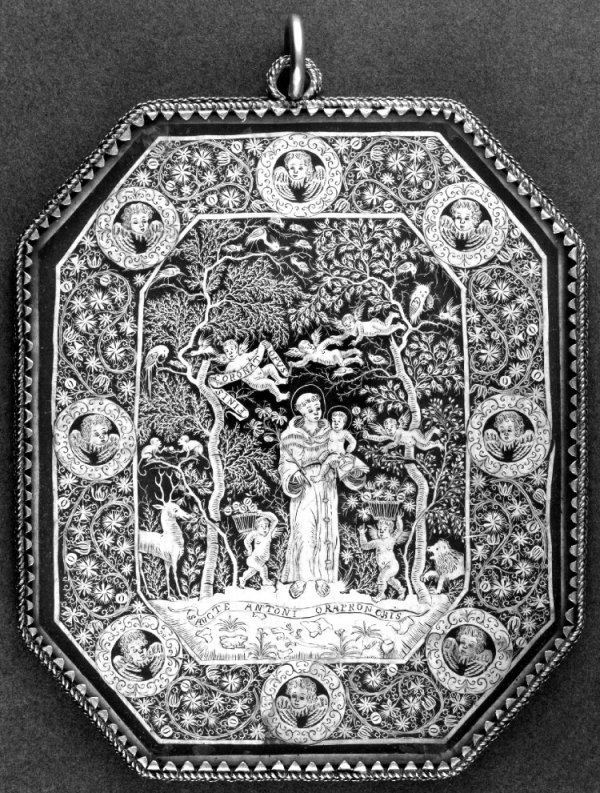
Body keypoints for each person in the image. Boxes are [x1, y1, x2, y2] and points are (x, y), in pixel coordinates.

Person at [279, 389, 366, 599]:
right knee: (304, 530)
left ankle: (321, 578)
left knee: (325, 531)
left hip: (326, 485)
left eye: (317, 408)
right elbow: (285, 463)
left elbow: (339, 454)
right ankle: (301, 578)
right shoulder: (289, 436)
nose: (316, 412)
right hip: (304, 488)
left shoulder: (330, 432)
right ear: (301, 412)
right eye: (310, 410)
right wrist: (294, 476)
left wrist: (348, 467)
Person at [314, 407, 368, 481]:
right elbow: (322, 438)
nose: (336, 423)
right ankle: (331, 473)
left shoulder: (344, 433)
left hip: (339, 454)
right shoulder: (330, 432)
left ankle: (320, 476)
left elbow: (353, 441)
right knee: (320, 459)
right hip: (329, 452)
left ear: (344, 423)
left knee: (327, 461)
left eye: (339, 421)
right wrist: (315, 439)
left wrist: (349, 448)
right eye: (334, 421)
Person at [239, 511, 279, 588]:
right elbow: (246, 541)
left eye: (266, 526)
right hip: (254, 558)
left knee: (251, 571)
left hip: (262, 559)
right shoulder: (255, 533)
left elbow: (275, 520)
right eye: (261, 526)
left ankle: (243, 579)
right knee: (263, 568)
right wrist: (249, 550)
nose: (264, 528)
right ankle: (265, 581)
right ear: (257, 528)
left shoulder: (269, 534)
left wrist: (263, 513)